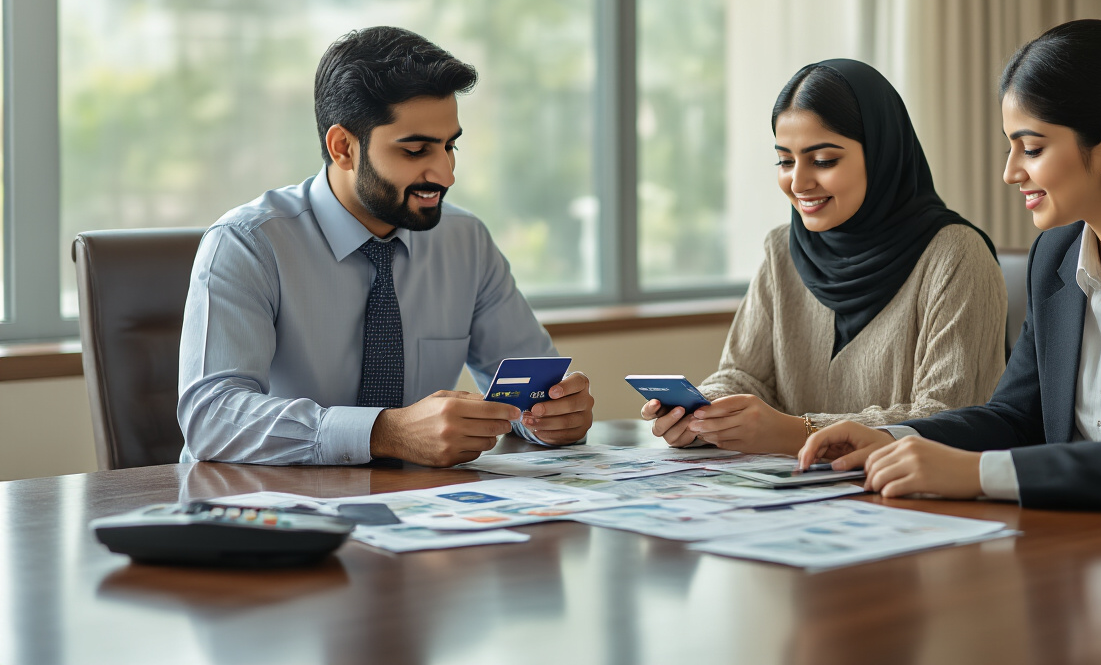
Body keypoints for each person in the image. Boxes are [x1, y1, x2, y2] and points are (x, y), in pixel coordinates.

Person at [799, 19, 1101, 516]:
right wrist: (890, 438)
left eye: (1033, 148)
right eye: (1010, 146)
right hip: (1083, 548)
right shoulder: (1056, 256)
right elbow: (1016, 417)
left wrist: (979, 474)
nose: (1010, 171)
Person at [178, 26, 594, 467]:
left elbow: (533, 389)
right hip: (273, 515)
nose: (446, 175)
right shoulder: (248, 244)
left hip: (421, 510)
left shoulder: (465, 241)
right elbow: (212, 418)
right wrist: (383, 432)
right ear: (343, 148)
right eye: (416, 151)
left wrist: (553, 417)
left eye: (449, 146)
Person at [642, 59, 1007, 455]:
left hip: (915, 503)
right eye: (785, 160)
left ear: (882, 154)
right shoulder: (782, 251)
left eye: (823, 160)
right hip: (795, 502)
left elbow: (947, 418)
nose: (798, 182)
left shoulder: (956, 256)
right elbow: (745, 375)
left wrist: (800, 431)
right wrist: (704, 413)